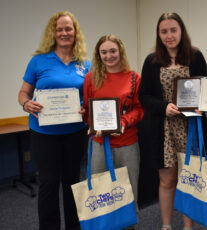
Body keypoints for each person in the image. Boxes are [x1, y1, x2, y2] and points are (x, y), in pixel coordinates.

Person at [18, 11, 91, 230]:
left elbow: (91, 96)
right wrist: (25, 104)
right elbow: (23, 93)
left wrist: (86, 107)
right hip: (44, 134)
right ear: (53, 32)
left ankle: (73, 226)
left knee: (72, 182)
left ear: (75, 32)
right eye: (59, 29)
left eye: (68, 28)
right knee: (49, 183)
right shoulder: (38, 60)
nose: (64, 33)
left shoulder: (85, 64)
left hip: (75, 132)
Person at [139, 12, 207, 230]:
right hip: (165, 130)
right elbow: (144, 96)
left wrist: (202, 104)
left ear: (181, 31)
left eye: (173, 30)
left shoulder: (196, 57)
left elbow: (205, 91)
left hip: (192, 128)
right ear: (159, 34)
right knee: (167, 180)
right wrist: (163, 107)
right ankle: (167, 225)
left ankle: (188, 226)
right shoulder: (151, 61)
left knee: (189, 180)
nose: (169, 35)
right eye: (164, 31)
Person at [83, 34, 144, 229]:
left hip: (127, 144)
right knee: (101, 196)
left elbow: (139, 109)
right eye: (104, 52)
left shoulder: (134, 78)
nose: (109, 56)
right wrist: (88, 120)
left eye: (112, 51)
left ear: (120, 52)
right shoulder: (91, 78)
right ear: (98, 54)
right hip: (100, 145)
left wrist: (124, 122)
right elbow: (87, 110)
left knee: (128, 194)